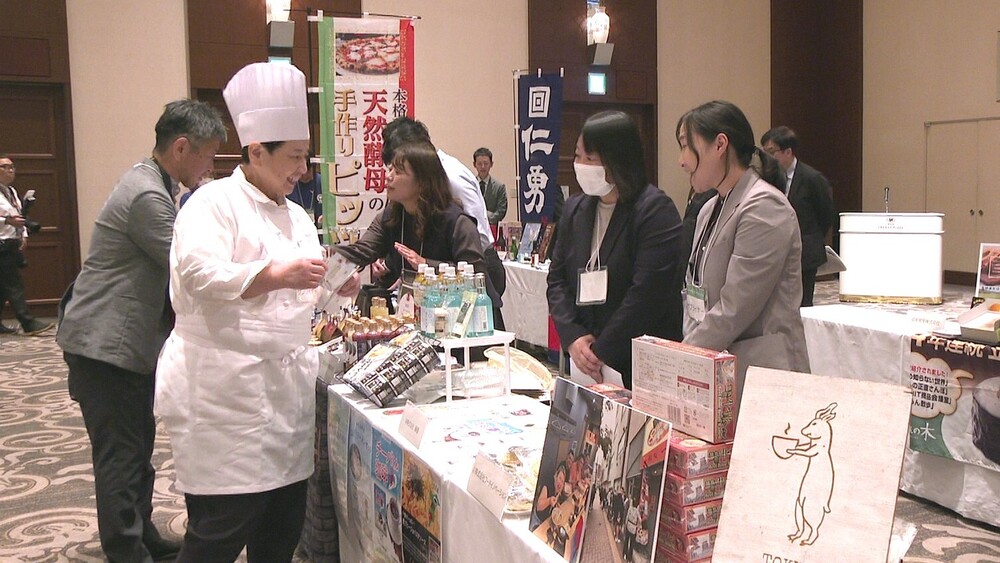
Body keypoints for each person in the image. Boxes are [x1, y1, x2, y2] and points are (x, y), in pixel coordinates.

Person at [154, 62, 349, 563]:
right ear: (256, 151)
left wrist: (332, 289)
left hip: (286, 398)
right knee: (218, 533)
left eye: (307, 158)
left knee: (281, 528)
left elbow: (302, 297)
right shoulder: (211, 204)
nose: (303, 170)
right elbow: (198, 275)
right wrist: (274, 274)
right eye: (296, 157)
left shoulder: (299, 215)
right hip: (222, 395)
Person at [56, 99, 226, 562]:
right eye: (208, 155)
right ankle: (125, 549)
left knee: (137, 446)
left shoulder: (153, 181)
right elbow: (189, 267)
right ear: (181, 147)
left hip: (123, 343)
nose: (210, 166)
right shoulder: (147, 196)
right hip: (106, 345)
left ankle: (140, 531)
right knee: (120, 454)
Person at [677, 100, 810, 393]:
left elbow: (735, 308)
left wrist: (681, 358)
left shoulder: (764, 206)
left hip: (764, 374)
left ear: (720, 144)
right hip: (717, 365)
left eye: (687, 145)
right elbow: (693, 290)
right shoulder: (709, 208)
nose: (682, 160)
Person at [546, 110, 684, 389]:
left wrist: (600, 352)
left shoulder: (654, 210)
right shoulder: (575, 209)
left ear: (617, 159)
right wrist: (573, 338)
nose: (580, 164)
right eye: (577, 156)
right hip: (585, 360)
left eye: (590, 158)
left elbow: (646, 296)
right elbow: (557, 279)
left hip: (639, 365)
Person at [382, 117, 506, 328]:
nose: (390, 174)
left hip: (478, 264)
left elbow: (478, 235)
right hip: (443, 274)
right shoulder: (405, 200)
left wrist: (432, 265)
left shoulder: (452, 177)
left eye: (398, 166)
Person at [333, 141, 488, 293]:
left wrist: (425, 264)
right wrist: (322, 254)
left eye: (398, 172)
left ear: (422, 181)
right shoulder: (390, 215)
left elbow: (475, 275)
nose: (388, 176)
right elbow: (362, 250)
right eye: (390, 169)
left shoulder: (457, 222)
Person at [761, 126, 836, 307]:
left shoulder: (812, 178)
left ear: (788, 152)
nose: (767, 158)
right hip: (776, 252)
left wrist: (811, 236)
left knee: (803, 306)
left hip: (805, 253)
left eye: (771, 152)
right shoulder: (767, 178)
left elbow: (826, 214)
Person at [0, 154, 53, 335]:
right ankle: (28, 323)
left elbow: (19, 215)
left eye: (12, 167)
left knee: (3, 285)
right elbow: (10, 218)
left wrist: (23, 234)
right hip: (1, 243)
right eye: (4, 167)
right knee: (14, 284)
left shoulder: (11, 192)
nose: (9, 170)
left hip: (11, 242)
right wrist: (7, 221)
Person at [472, 147, 508, 226]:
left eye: (486, 163)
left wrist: (485, 218)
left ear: (491, 164)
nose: (483, 167)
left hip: (492, 228)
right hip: (473, 227)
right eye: (479, 164)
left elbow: (501, 211)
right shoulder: (470, 185)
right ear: (474, 164)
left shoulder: (499, 187)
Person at [287, 151, 322, 226]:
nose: (301, 174)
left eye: (305, 171)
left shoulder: (323, 183)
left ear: (312, 168)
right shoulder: (289, 184)